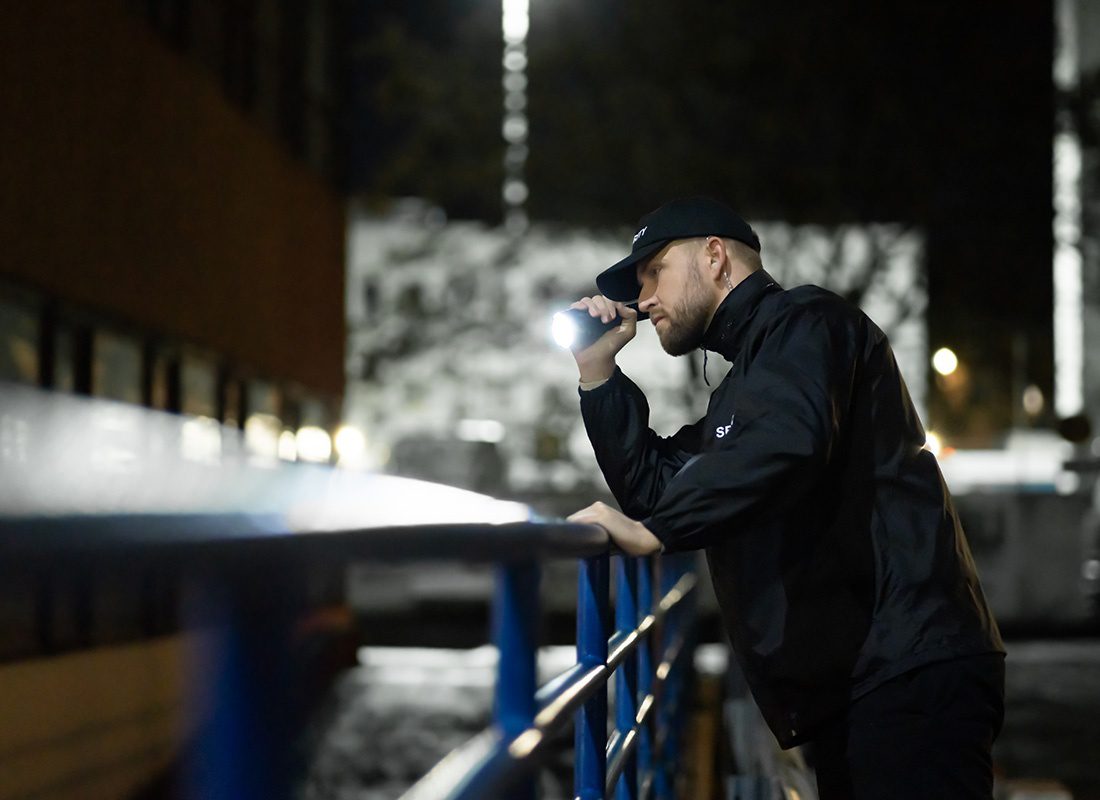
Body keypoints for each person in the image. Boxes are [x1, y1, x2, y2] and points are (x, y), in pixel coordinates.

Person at [566, 196, 1005, 799]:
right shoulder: (749, 382)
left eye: (654, 272)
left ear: (714, 257)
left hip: (905, 666)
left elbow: (785, 445)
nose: (642, 300)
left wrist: (660, 533)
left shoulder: (807, 322)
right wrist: (597, 374)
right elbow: (656, 485)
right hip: (867, 675)